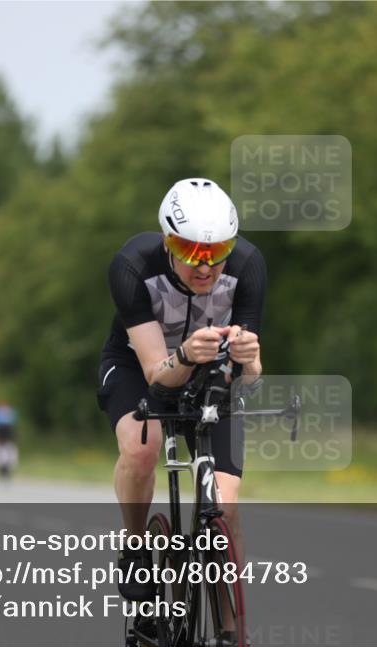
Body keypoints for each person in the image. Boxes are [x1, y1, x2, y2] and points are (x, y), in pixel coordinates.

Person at [97, 178, 265, 602]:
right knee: (141, 447)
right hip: (139, 365)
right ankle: (136, 548)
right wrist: (186, 355)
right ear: (169, 242)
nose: (206, 267)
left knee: (225, 509)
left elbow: (250, 378)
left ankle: (229, 644)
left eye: (218, 253)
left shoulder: (248, 266)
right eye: (192, 252)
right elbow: (156, 373)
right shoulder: (133, 265)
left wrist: (251, 360)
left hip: (210, 371)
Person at [0, 401, 19, 479]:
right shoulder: (7, 412)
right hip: (2, 433)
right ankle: (3, 467)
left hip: (5, 433)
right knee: (1, 449)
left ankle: (5, 467)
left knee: (6, 449)